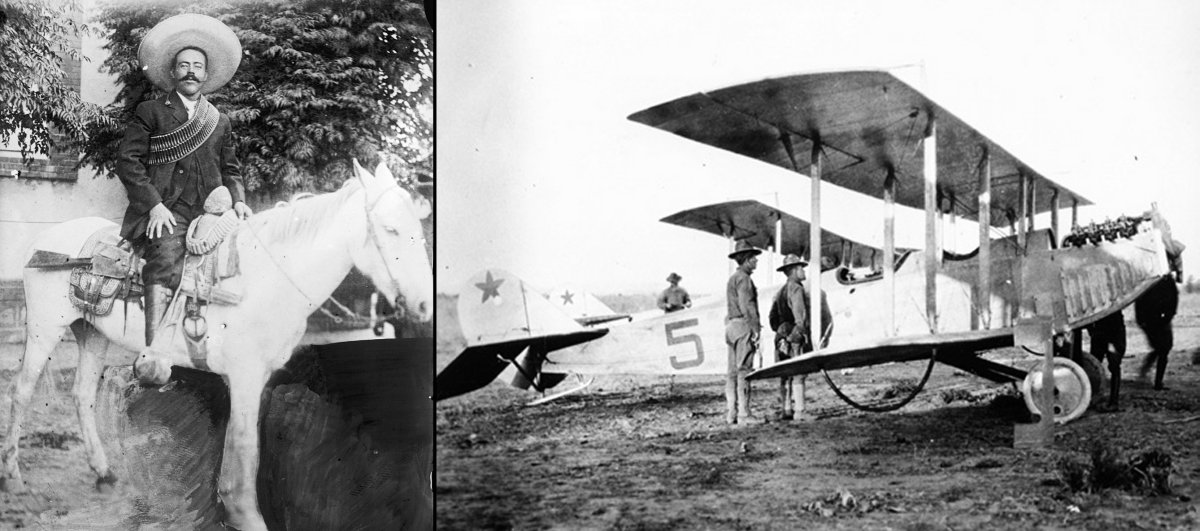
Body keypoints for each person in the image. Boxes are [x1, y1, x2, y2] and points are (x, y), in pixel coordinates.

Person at [116, 14, 252, 347]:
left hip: (210, 213)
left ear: (206, 74)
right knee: (164, 260)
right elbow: (127, 162)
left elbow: (231, 169)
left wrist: (239, 201)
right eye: (184, 65)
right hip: (167, 212)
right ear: (173, 72)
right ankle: (155, 353)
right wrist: (154, 206)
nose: (191, 71)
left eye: (197, 66)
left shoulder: (219, 121)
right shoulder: (151, 111)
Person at [768, 254, 832, 421]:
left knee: (785, 373)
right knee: (799, 372)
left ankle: (786, 409)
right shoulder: (796, 288)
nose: (803, 271)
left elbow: (772, 318)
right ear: (793, 271)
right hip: (794, 335)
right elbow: (800, 316)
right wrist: (800, 333)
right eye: (800, 268)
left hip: (780, 336)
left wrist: (781, 332)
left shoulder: (780, 291)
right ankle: (801, 411)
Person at [1135, 238, 1185, 390]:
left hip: (1154, 319)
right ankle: (1155, 381)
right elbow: (1172, 299)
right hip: (1159, 320)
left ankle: (1148, 374)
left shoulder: (1151, 278)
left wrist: (1141, 319)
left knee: (1161, 349)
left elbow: (1140, 299)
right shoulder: (1164, 279)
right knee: (1163, 349)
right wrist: (1167, 316)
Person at [725, 241, 763, 425]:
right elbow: (747, 305)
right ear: (746, 260)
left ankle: (731, 413)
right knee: (744, 371)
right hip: (743, 327)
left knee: (732, 373)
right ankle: (744, 414)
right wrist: (755, 329)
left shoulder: (733, 278)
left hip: (731, 327)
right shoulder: (745, 279)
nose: (756, 261)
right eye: (753, 258)